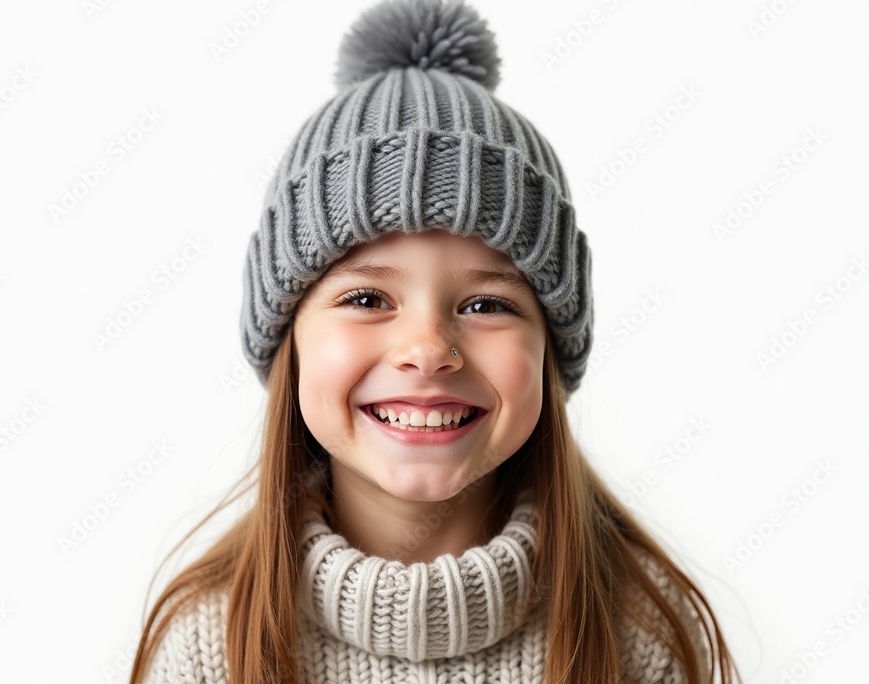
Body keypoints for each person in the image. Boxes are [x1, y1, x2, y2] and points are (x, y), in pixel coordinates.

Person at [131, 0, 740, 681]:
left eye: (486, 303)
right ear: (289, 340)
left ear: (549, 346)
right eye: (366, 299)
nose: (427, 348)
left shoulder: (641, 633)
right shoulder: (206, 645)